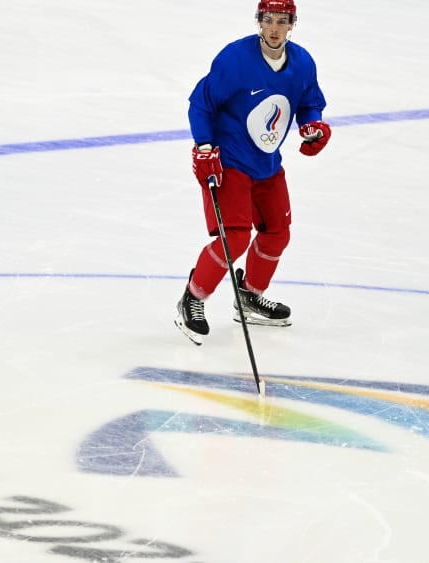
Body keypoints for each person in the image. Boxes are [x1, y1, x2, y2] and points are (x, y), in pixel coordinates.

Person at [175, 0, 331, 345]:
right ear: (258, 21)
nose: (274, 28)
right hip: (229, 160)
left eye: (282, 21)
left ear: (292, 24)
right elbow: (201, 104)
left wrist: (313, 125)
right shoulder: (235, 59)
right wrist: (204, 147)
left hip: (267, 163)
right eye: (268, 20)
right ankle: (193, 298)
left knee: (277, 232)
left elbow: (309, 102)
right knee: (234, 238)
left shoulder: (302, 62)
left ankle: (248, 296)